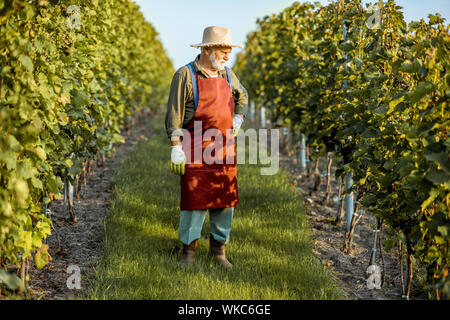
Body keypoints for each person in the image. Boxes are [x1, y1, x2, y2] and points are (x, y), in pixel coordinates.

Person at [165, 26, 248, 268]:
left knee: (224, 200)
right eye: (223, 51)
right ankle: (188, 252)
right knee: (194, 200)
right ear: (208, 49)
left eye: (229, 52)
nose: (226, 57)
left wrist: (238, 119)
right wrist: (175, 146)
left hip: (224, 148)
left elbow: (242, 96)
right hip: (194, 147)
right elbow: (174, 115)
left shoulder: (228, 76)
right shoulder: (186, 75)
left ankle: (219, 251)